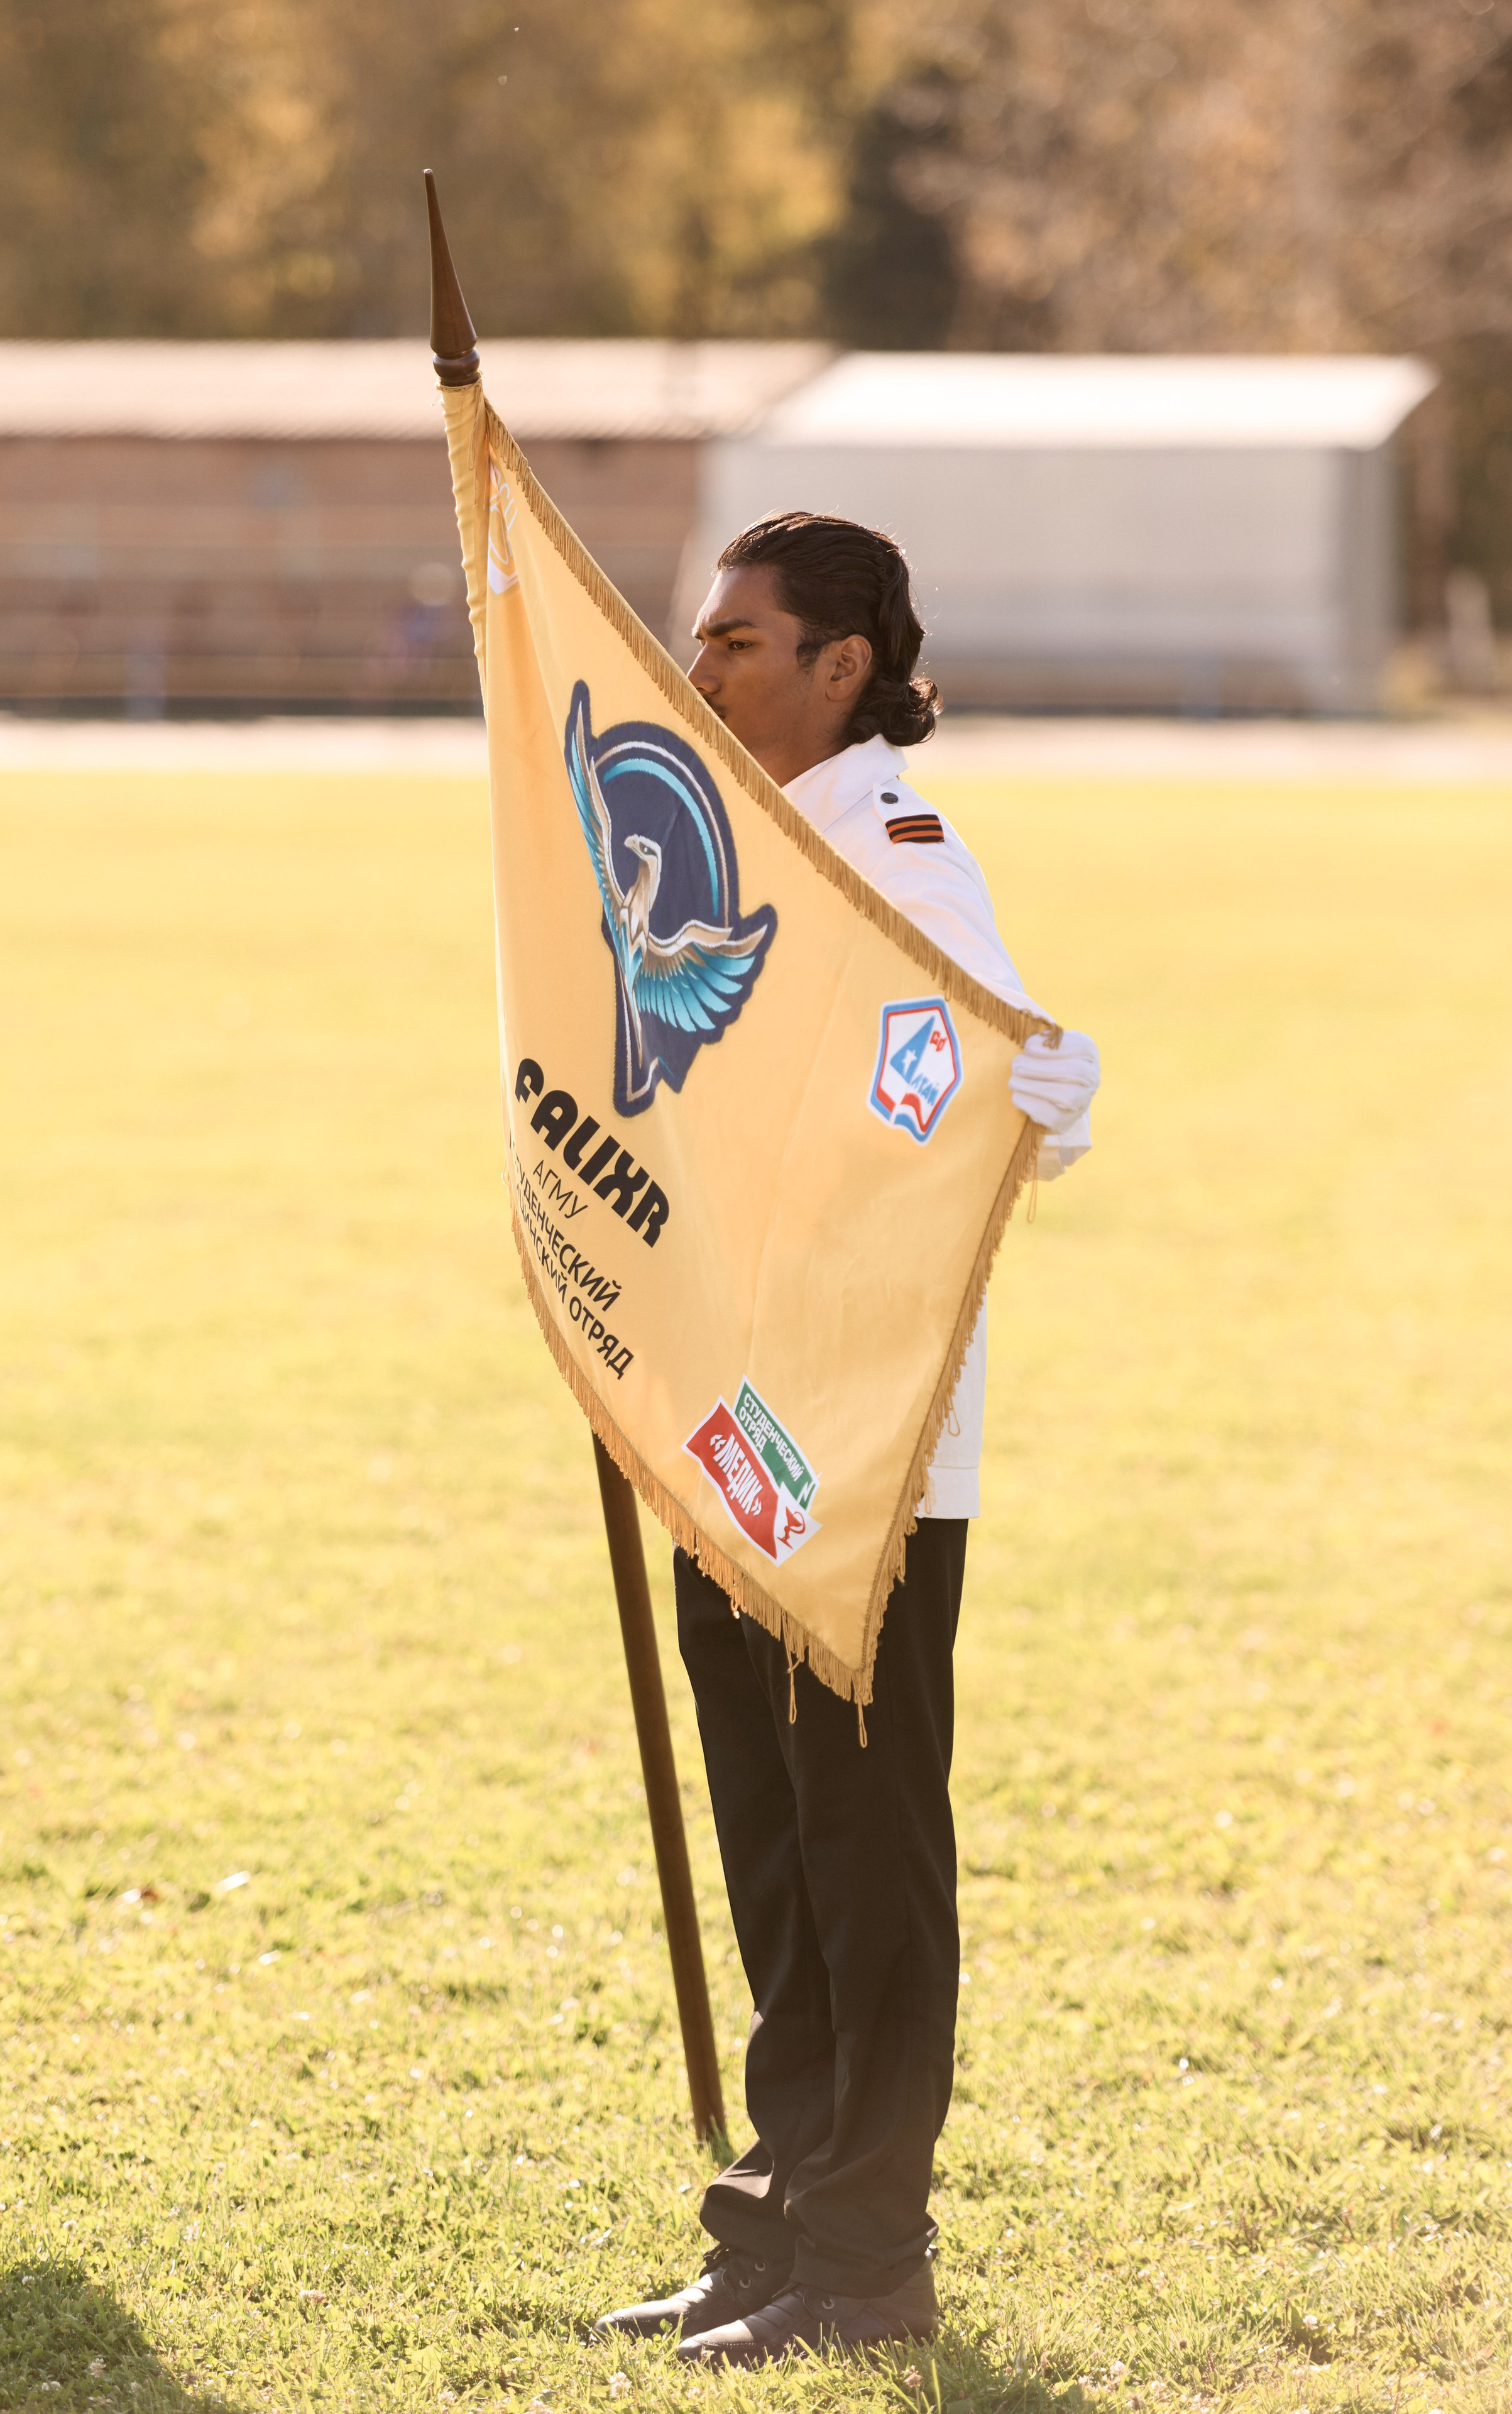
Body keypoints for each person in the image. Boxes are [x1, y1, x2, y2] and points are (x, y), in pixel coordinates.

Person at [594, 512, 1100, 2369]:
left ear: (844, 664)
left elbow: (1022, 1086)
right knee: (775, 1839)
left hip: (861, 1452)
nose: (702, 668)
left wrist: (1029, 1091)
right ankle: (779, 2222)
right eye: (701, 635)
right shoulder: (747, 842)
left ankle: (870, 2261)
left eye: (739, 641)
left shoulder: (892, 856)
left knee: (862, 1849)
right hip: (730, 1414)